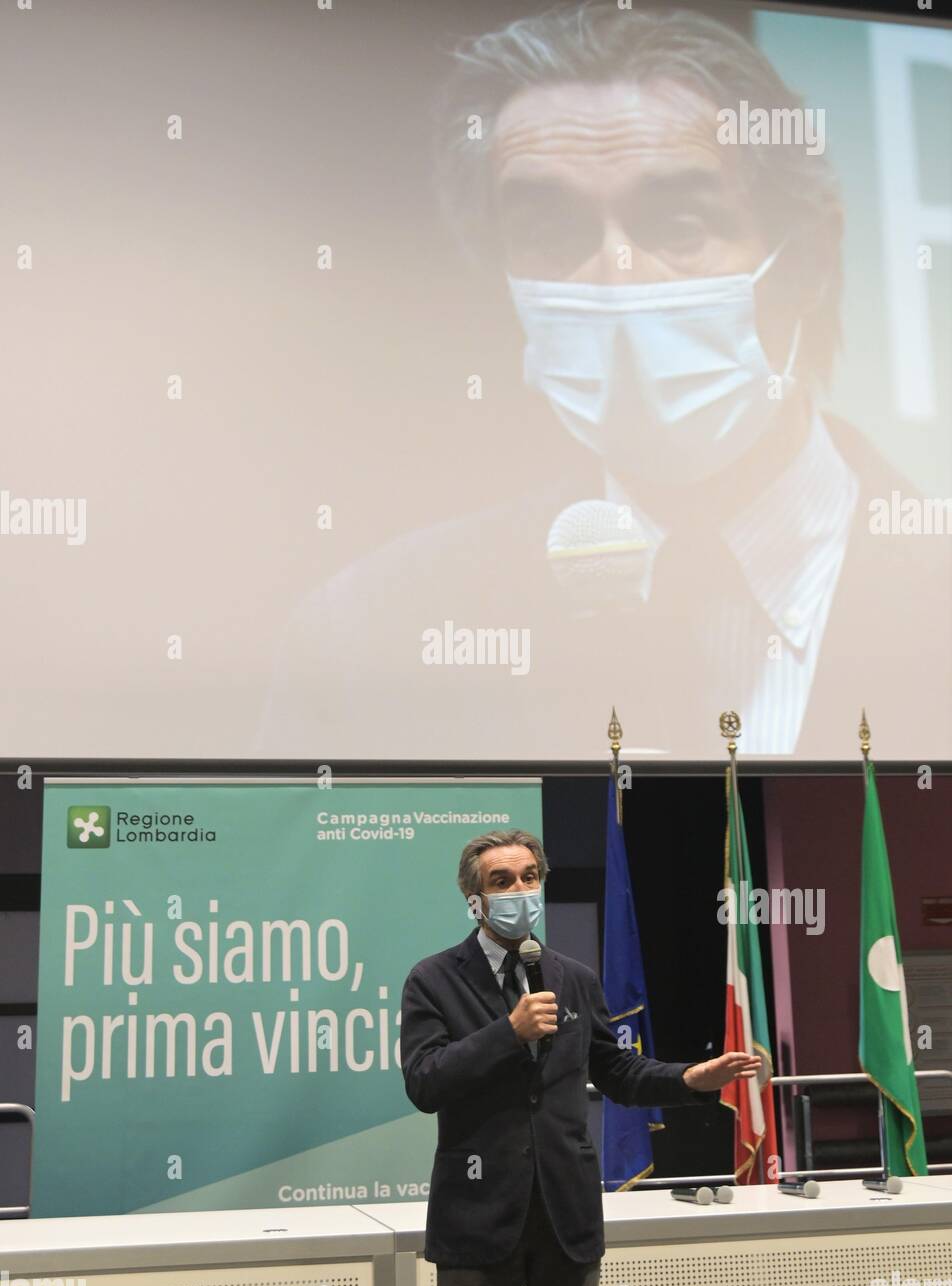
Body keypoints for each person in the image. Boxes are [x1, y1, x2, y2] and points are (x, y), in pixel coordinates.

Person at [257, 2, 950, 761]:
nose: (617, 281)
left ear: (809, 257)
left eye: (678, 226)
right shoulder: (367, 641)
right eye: (555, 236)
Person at [399, 828, 759, 1286]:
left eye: (530, 877)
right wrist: (509, 1032)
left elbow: (618, 1073)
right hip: (477, 1215)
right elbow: (426, 1083)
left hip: (566, 1215)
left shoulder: (574, 977)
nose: (519, 891)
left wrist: (689, 1078)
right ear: (474, 899)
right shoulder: (433, 979)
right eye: (502, 881)